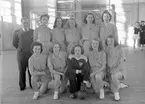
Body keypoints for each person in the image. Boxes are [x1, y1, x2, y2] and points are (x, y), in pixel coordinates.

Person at [13, 17, 33, 91]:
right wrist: (20, 49)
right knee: (22, 70)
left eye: (27, 22)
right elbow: (14, 43)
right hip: (21, 54)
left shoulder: (32, 32)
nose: (25, 24)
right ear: (21, 23)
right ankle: (22, 85)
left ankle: (32, 84)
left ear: (29, 23)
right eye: (24, 22)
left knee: (31, 70)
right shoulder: (17, 32)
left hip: (30, 54)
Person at [105, 35, 127, 101]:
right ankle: (118, 84)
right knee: (112, 89)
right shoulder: (106, 50)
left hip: (119, 71)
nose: (110, 42)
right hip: (110, 71)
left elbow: (122, 61)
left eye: (111, 41)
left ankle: (117, 94)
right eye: (108, 41)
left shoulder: (120, 49)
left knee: (114, 77)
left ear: (114, 41)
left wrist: (116, 70)